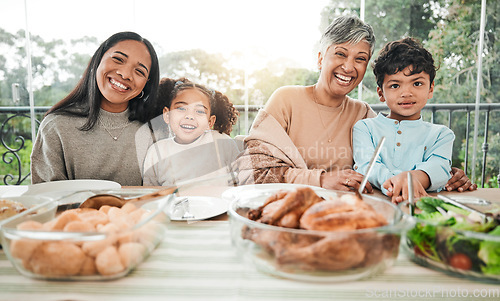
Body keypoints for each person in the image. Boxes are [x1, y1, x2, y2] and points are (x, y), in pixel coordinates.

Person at [234, 15, 476, 193]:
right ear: (321, 58)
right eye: (340, 54)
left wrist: (447, 175)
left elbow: (394, 160)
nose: (349, 67)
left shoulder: (363, 115)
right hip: (282, 208)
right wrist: (320, 179)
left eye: (360, 59)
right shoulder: (286, 99)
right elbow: (252, 171)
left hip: (343, 214)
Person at [31, 31, 160, 186]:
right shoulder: (56, 126)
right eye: (118, 59)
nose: (125, 74)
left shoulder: (153, 131)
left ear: (146, 84)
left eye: (139, 71)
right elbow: (46, 198)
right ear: (97, 60)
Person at [353, 37, 455, 203]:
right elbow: (367, 166)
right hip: (375, 206)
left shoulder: (441, 134)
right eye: (395, 85)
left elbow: (440, 167)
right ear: (380, 93)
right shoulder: (365, 128)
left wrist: (413, 178)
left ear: (431, 89)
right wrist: (400, 184)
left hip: (421, 207)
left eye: (417, 84)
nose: (406, 93)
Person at [142, 78, 240, 186]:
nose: (189, 116)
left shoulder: (223, 143)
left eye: (199, 111)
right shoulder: (156, 152)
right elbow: (149, 193)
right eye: (181, 109)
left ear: (210, 122)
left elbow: (242, 184)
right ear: (167, 115)